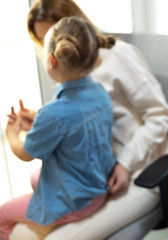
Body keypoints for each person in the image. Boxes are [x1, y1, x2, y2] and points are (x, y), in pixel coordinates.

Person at [10, 0, 168, 239]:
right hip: (91, 173)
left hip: (136, 173)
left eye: (54, 34)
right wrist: (39, 121)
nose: (57, 46)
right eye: (45, 40)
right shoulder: (71, 72)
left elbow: (161, 114)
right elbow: (78, 119)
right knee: (19, 232)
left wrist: (125, 163)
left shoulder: (118, 56)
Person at [0, 16, 117, 240]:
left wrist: (12, 134)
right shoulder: (100, 93)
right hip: (98, 186)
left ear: (51, 61)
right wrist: (37, 119)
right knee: (36, 176)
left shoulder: (53, 114)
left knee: (3, 215)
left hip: (78, 201)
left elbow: (24, 154)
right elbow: (72, 126)